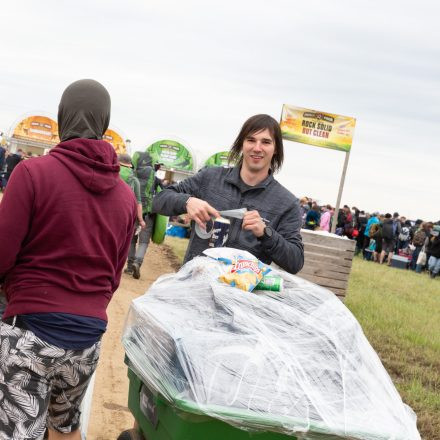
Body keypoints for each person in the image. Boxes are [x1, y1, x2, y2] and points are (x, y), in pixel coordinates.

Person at [0, 79, 137, 439]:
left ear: (62, 118)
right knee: (65, 427)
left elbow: (2, 254)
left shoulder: (31, 173)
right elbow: (113, 276)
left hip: (30, 331)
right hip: (87, 338)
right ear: (103, 123)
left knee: (20, 430)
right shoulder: (125, 197)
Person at [153, 114, 304, 274]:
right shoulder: (210, 178)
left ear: (276, 149)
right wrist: (187, 202)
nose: (257, 148)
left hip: (241, 296)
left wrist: (266, 233)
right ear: (241, 144)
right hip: (193, 286)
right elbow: (159, 200)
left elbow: (295, 261)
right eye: (251, 140)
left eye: (266, 142)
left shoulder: (287, 203)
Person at [125, 155, 163, 279]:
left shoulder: (132, 175)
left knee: (131, 240)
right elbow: (163, 193)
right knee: (144, 242)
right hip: (148, 214)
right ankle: (137, 262)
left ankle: (130, 266)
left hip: (133, 211)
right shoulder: (155, 179)